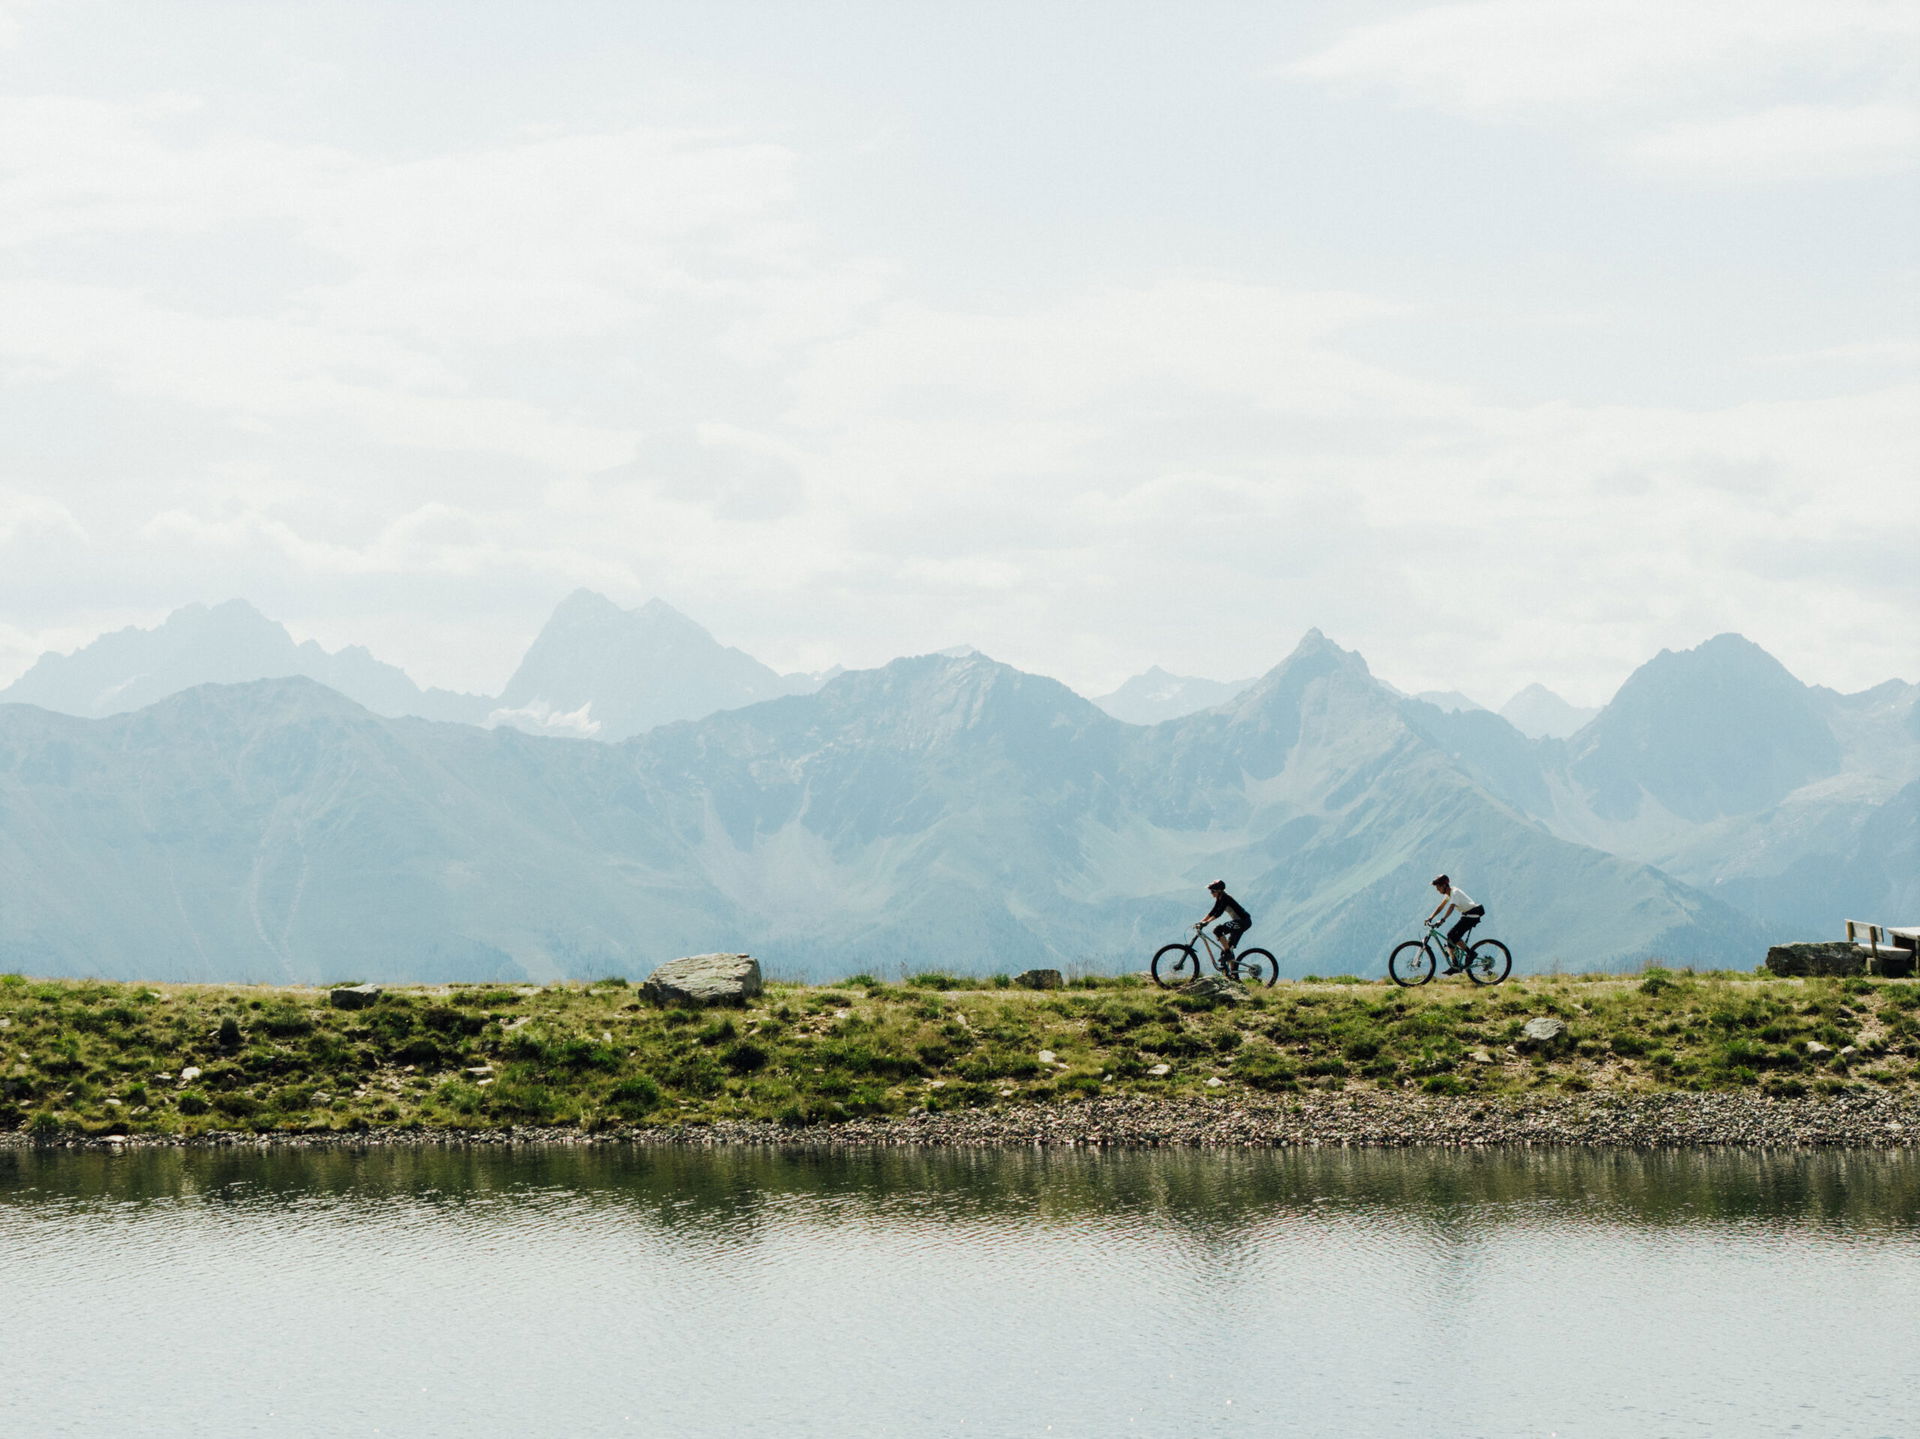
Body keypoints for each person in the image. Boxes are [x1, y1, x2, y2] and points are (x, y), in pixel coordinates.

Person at [1425, 875, 1485, 972]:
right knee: (1452, 937)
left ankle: (1463, 959)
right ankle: (1461, 959)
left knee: (1451, 935)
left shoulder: (1454, 893)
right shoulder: (1449, 894)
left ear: (1444, 885)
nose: (1437, 889)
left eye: (1438, 887)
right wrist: (1430, 917)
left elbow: (1451, 907)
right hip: (1467, 915)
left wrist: (1442, 920)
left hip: (1472, 916)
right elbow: (1441, 906)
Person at [1196, 880, 1252, 965]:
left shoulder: (1225, 898)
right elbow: (1213, 911)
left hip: (1243, 922)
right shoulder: (1220, 898)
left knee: (1218, 930)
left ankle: (1228, 954)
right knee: (1228, 949)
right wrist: (1201, 922)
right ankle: (1233, 971)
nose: (1211, 893)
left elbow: (1219, 913)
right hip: (1240, 922)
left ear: (1219, 891)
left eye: (1212, 891)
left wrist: (1207, 922)